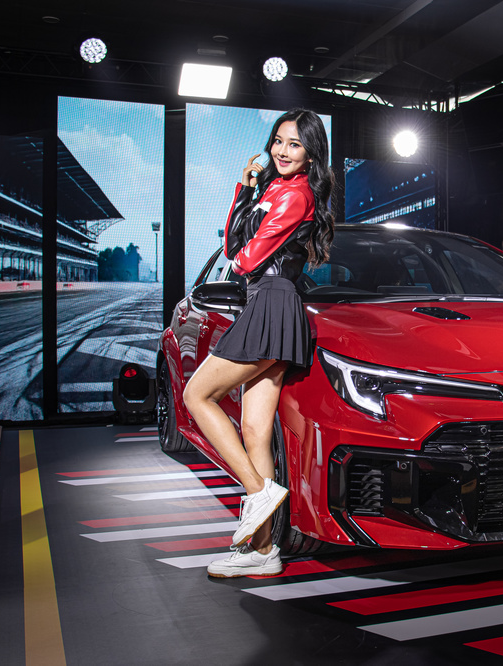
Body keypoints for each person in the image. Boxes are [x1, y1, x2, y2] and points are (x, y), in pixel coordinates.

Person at [182, 109, 334, 578]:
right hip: (266, 302)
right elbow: (232, 248)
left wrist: (254, 222)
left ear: (311, 155)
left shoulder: (296, 194)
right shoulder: (272, 190)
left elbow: (246, 261)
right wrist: (245, 191)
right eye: (278, 141)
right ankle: (264, 550)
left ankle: (257, 490)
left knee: (196, 395)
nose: (282, 151)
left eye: (294, 144)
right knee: (254, 432)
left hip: (271, 301)